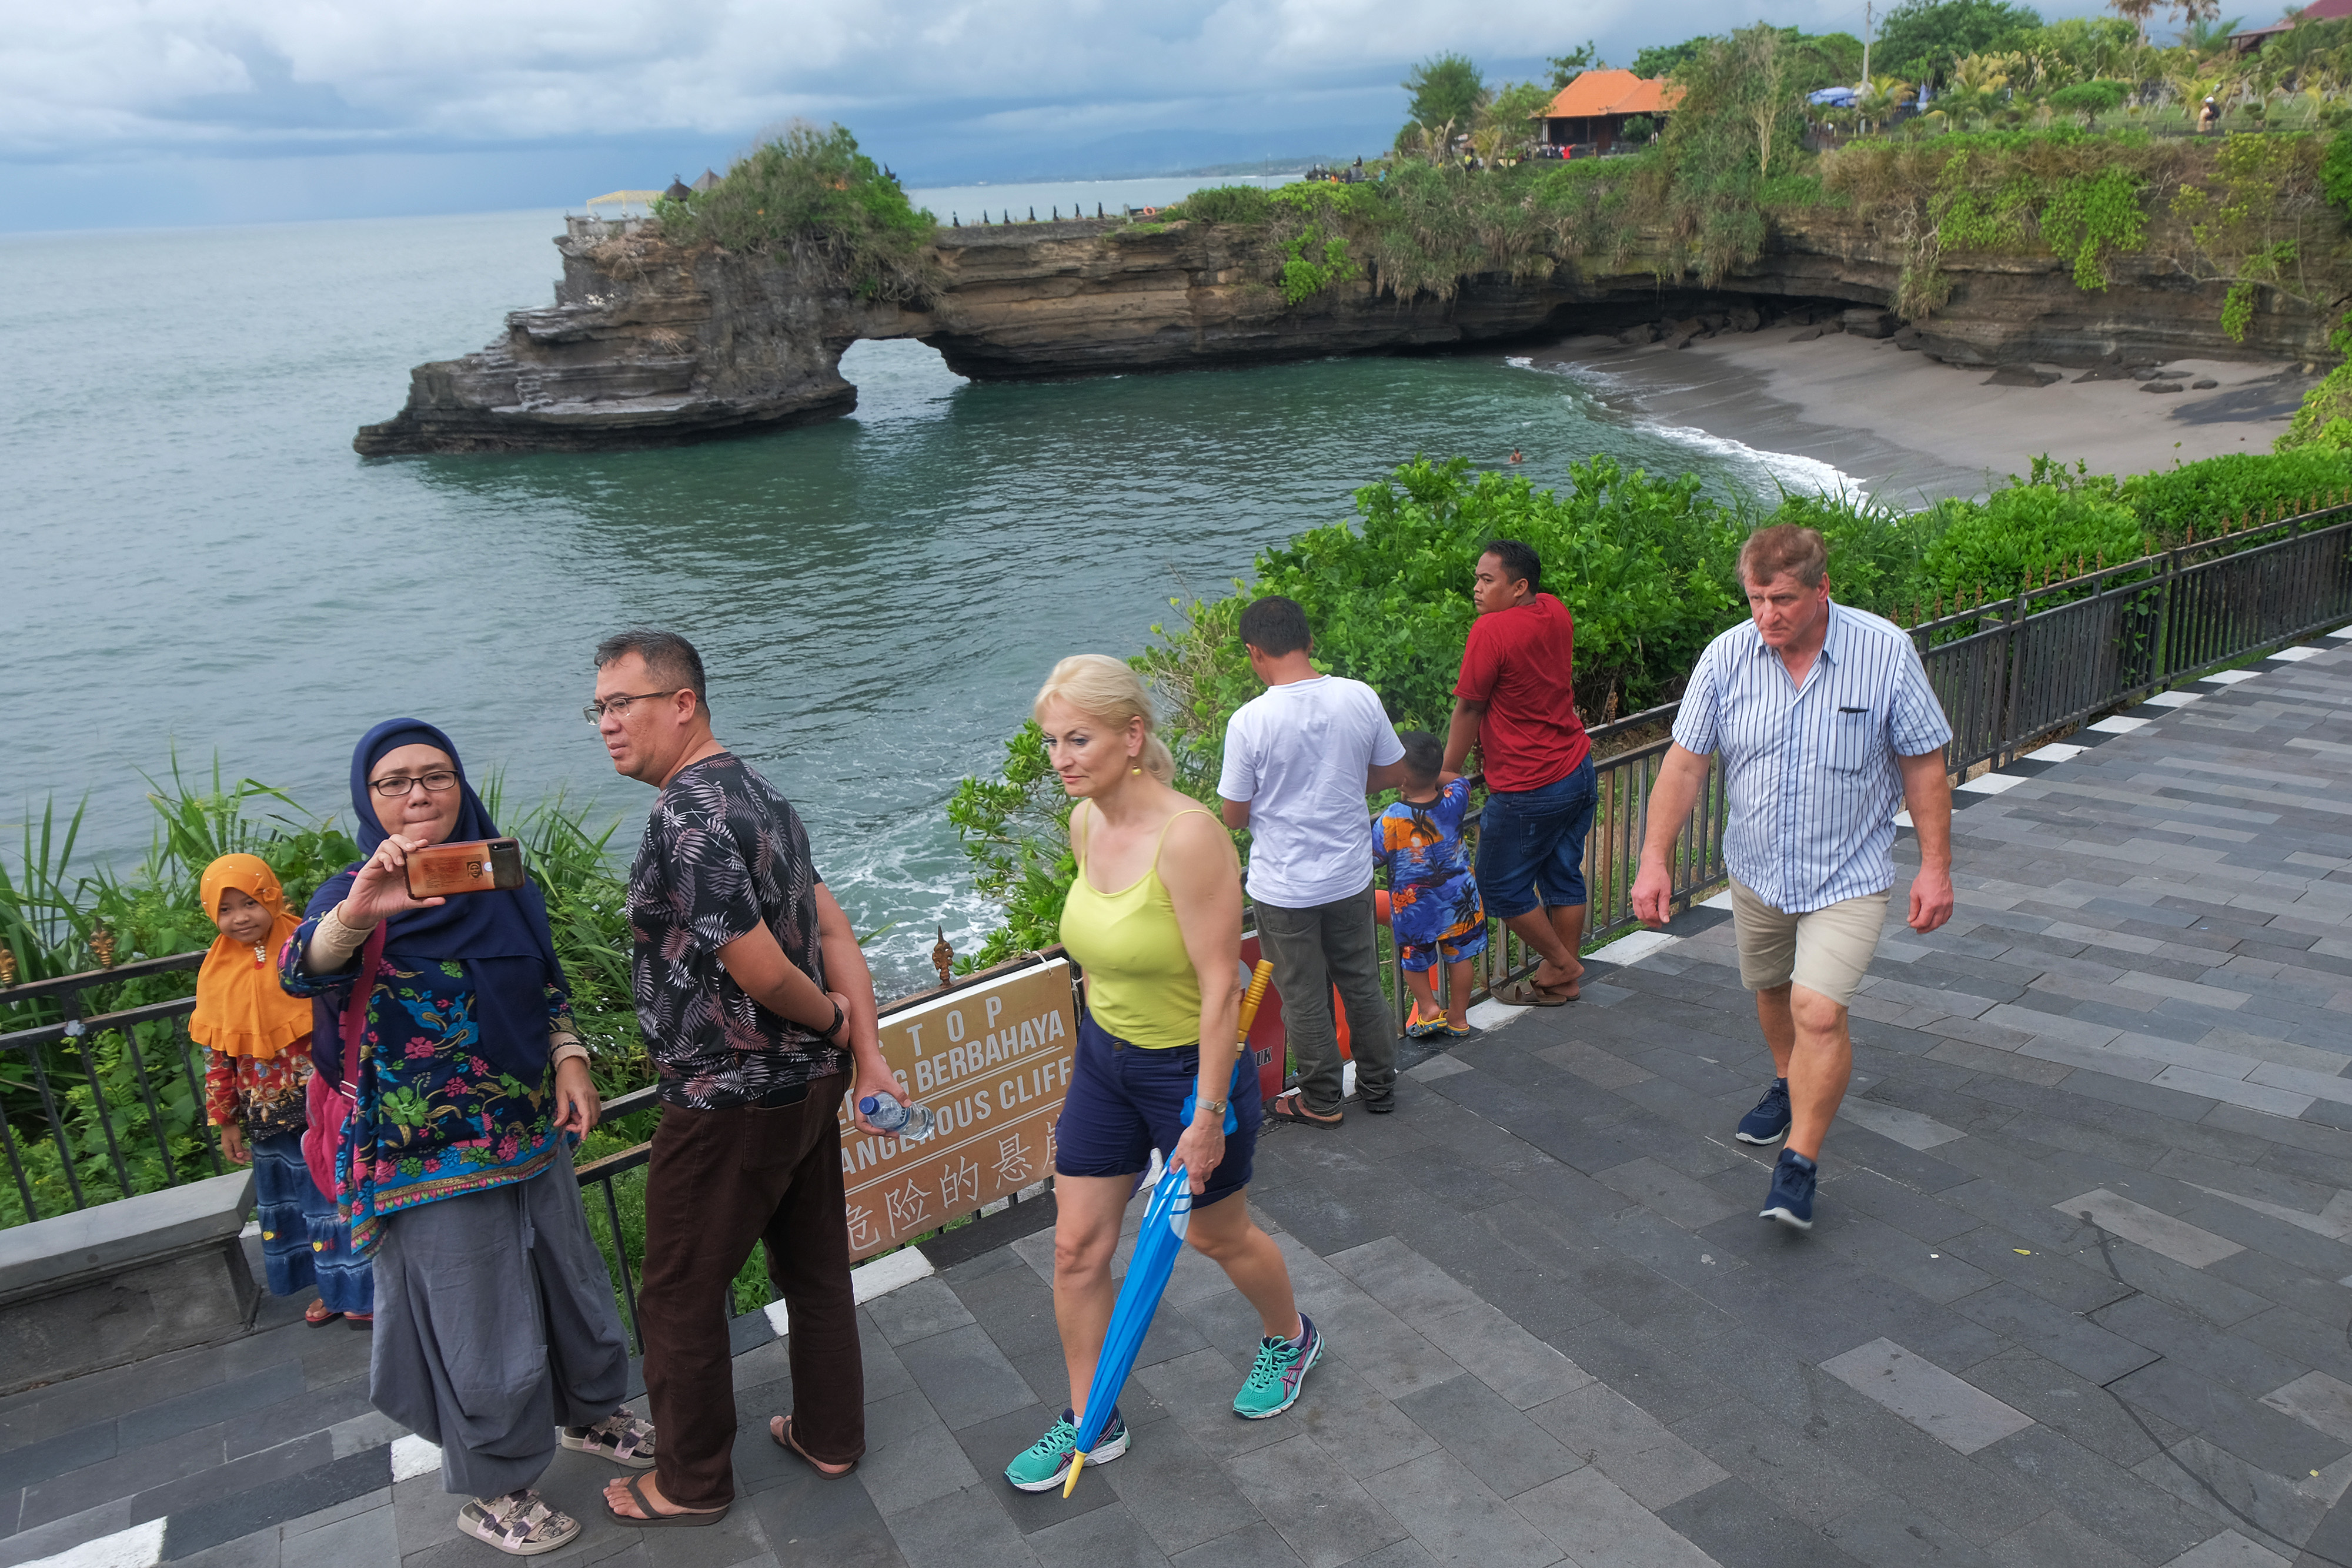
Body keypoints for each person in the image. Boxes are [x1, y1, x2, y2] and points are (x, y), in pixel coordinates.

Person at [284, 719, 649, 1557]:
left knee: (571, 1284)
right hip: (426, 1156)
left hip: (527, 1129)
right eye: (395, 782)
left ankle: (591, 1413)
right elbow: (303, 968)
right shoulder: (352, 893)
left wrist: (569, 1056)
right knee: (476, 1320)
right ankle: (494, 1486)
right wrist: (358, 910)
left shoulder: (502, 875)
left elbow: (543, 982)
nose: (419, 795)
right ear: (368, 799)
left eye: (436, 775)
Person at [589, 630, 896, 1529]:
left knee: (679, 1292)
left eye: (622, 704)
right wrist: (860, 1049)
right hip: (807, 1085)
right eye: (598, 708)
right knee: (812, 1265)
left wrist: (842, 1021)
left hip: (729, 1096)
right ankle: (830, 1432)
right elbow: (833, 931)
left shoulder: (685, 815)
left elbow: (762, 969)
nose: (606, 724)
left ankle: (690, 1482)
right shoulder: (761, 793)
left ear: (682, 703)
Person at [1005, 654, 1322, 1493]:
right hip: (1106, 1060)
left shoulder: (1188, 836)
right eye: (1052, 741)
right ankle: (1091, 1415)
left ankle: (1290, 1333)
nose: (1062, 757)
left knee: (1218, 1234)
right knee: (1076, 1247)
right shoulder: (1084, 824)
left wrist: (1209, 1113)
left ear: (1132, 734)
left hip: (1190, 1069)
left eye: (1079, 737)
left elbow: (1223, 984)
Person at [1629, 524, 1955, 1232]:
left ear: (1821, 590)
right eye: (1755, 599)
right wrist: (1653, 858)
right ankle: (1786, 1081)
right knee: (1772, 991)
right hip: (1755, 872)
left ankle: (1799, 1162)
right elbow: (1685, 764)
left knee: (1817, 1010)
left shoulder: (1885, 653)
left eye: (1782, 599)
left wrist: (1934, 868)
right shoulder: (1725, 658)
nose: (1766, 615)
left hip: (1848, 872)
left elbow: (1924, 764)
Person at [1217, 596, 1408, 1126]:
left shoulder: (1249, 721)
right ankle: (1377, 1085)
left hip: (1284, 886)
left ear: (1255, 652)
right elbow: (1393, 771)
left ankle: (1322, 1098)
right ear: (1309, 641)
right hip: (1350, 874)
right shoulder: (1358, 696)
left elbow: (1234, 815)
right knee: (1362, 981)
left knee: (1302, 994)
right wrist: (1344, 783)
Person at [192, 854, 370, 1325]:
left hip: (325, 1105)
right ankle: (332, 1289)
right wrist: (226, 1118)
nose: (239, 918)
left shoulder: (307, 944)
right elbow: (217, 1056)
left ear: (272, 895)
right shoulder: (215, 971)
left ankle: (360, 1290)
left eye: (250, 902)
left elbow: (344, 1014)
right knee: (299, 1203)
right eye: (225, 909)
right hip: (268, 1117)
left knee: (336, 1196)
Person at [1442, 539, 1596, 1007]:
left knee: (1497, 884)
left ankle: (1564, 964)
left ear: (1519, 586)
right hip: (1577, 767)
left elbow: (1470, 705)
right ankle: (1560, 980)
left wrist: (1450, 770)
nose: (1477, 589)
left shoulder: (1491, 630)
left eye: (1488, 580)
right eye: (1477, 579)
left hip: (1529, 783)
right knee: (1563, 875)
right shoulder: (1554, 609)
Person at [1373, 733, 1485, 1040]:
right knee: (1460, 957)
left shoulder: (1391, 820)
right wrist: (1436, 774)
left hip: (1415, 909)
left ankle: (1428, 1009)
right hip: (1458, 901)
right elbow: (1459, 778)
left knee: (1414, 958)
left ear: (1402, 778)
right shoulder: (1455, 798)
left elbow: (1372, 856)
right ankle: (1460, 1018)